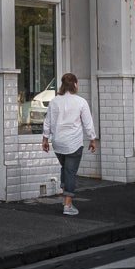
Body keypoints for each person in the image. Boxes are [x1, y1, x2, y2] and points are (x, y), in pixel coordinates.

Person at [40, 72, 96, 216]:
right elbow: (88, 123)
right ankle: (68, 205)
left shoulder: (54, 101)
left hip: (58, 143)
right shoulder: (81, 102)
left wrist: (45, 139)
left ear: (62, 85)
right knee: (70, 172)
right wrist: (92, 139)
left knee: (65, 169)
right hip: (73, 144)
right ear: (75, 85)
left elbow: (48, 121)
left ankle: (65, 198)